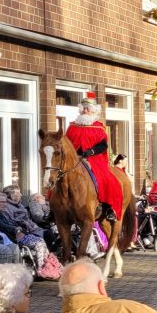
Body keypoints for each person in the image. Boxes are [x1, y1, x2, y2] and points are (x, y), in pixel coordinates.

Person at [63, 93, 123, 223]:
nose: (85, 111)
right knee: (58, 176)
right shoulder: (72, 126)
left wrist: (91, 151)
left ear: (93, 111)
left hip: (93, 158)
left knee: (106, 178)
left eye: (88, 109)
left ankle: (107, 207)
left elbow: (103, 145)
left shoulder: (98, 127)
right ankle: (54, 209)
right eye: (83, 108)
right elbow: (66, 143)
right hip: (74, 158)